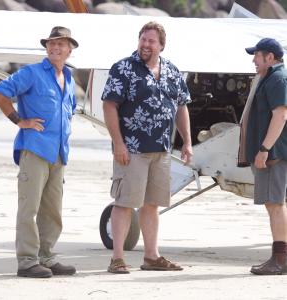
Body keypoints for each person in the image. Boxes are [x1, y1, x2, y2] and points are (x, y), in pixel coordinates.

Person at [102, 21, 193, 274]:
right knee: (124, 203)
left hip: (161, 149)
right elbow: (109, 106)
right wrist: (118, 143)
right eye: (143, 39)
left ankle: (151, 256)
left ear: (161, 45)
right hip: (131, 149)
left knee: (152, 204)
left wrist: (186, 142)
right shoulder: (123, 68)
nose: (145, 44)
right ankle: (117, 258)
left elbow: (182, 106)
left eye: (151, 41)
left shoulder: (172, 71)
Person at [0, 26, 78, 278]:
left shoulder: (70, 79)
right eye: (51, 44)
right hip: (35, 149)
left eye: (61, 44)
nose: (55, 48)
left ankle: (47, 257)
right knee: (29, 208)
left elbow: (67, 112)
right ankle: (28, 261)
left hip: (59, 153)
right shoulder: (31, 72)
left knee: (53, 209)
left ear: (70, 49)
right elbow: (0, 93)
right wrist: (20, 120)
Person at [243, 38, 287, 275]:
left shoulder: (277, 78)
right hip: (273, 152)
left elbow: (280, 116)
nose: (253, 59)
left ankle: (280, 259)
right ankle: (280, 257)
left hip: (273, 154)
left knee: (275, 204)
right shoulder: (270, 78)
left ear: (270, 57)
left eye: (257, 55)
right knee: (274, 204)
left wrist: (264, 149)